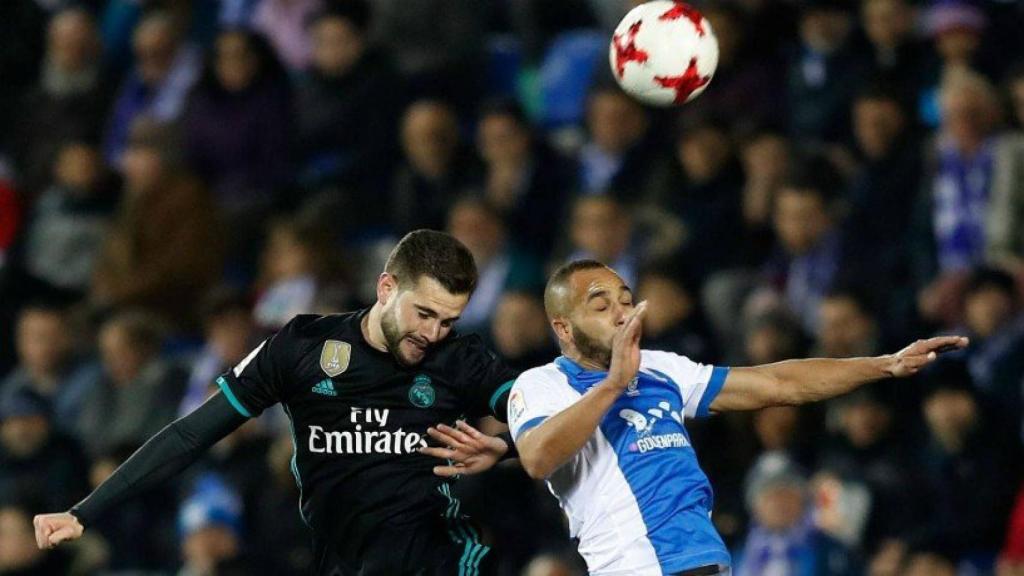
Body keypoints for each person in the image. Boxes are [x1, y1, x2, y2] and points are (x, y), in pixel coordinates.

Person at [436, 260, 966, 575]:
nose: (623, 312)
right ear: (564, 329)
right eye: (601, 306)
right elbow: (538, 456)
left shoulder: (663, 369)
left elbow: (777, 382)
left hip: (702, 560)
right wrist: (614, 385)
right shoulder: (540, 384)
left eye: (625, 299)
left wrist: (883, 364)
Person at [33, 230, 517, 576]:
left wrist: (506, 447)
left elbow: (542, 416)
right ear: (386, 288)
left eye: (449, 320)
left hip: (447, 562)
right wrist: (86, 511)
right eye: (425, 313)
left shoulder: (460, 358)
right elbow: (191, 433)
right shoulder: (301, 348)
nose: (434, 333)